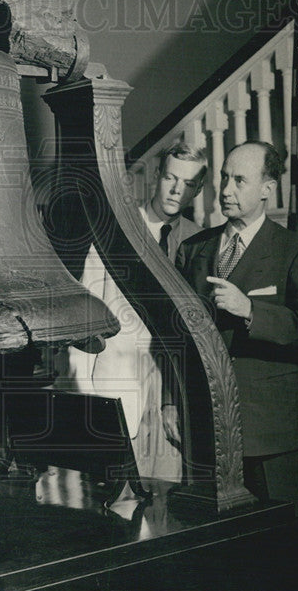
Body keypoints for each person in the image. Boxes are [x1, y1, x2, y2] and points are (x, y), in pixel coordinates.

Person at [175, 141, 298, 520]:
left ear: (267, 188)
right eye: (225, 178)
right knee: (215, 548)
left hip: (271, 432)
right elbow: (175, 339)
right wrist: (169, 403)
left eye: (239, 180)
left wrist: (250, 310)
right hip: (207, 428)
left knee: (282, 545)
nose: (225, 190)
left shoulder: (297, 250)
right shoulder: (193, 250)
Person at [55, 142, 205, 481]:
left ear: (199, 189)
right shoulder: (116, 232)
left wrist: (178, 400)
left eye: (189, 183)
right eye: (170, 177)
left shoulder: (200, 242)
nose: (177, 190)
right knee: (119, 506)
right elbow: (86, 317)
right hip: (117, 388)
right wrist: (86, 398)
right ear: (156, 176)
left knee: (168, 499)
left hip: (172, 395)